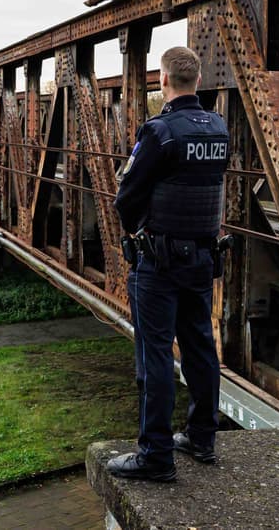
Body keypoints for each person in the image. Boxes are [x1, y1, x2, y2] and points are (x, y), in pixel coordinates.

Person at [108, 46, 229, 482]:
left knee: (154, 354)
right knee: (200, 347)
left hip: (158, 262)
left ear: (163, 80)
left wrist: (139, 230)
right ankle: (202, 438)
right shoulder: (219, 129)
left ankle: (155, 455)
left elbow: (127, 196)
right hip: (202, 257)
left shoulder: (160, 132)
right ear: (197, 79)